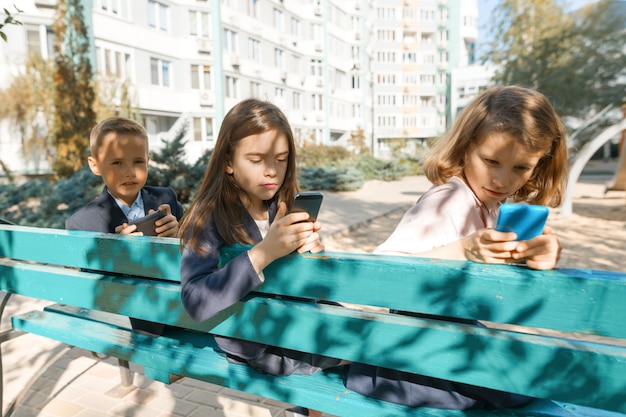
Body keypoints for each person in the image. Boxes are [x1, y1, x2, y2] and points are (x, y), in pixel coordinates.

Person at [347, 85, 568, 410]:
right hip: (412, 360)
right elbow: (378, 276)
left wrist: (538, 254)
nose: (503, 180)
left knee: (539, 374)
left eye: (521, 167)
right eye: (491, 160)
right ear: (465, 147)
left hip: (443, 349)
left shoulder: (491, 203)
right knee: (534, 380)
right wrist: (463, 251)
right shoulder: (447, 200)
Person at [178, 98, 344, 417]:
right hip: (258, 342)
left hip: (288, 325)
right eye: (256, 159)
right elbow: (195, 299)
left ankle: (306, 411)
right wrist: (264, 253)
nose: (271, 171)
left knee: (359, 336)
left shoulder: (279, 205)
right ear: (228, 161)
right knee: (366, 352)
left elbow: (312, 287)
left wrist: (311, 256)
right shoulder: (209, 217)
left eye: (281, 159)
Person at [66, 116, 184, 336]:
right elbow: (91, 289)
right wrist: (118, 256)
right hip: (128, 316)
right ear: (95, 165)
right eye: (117, 163)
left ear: (148, 160)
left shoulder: (165, 197)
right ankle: (159, 364)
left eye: (138, 161)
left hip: (178, 303)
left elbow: (197, 247)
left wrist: (178, 234)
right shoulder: (83, 222)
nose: (130, 171)